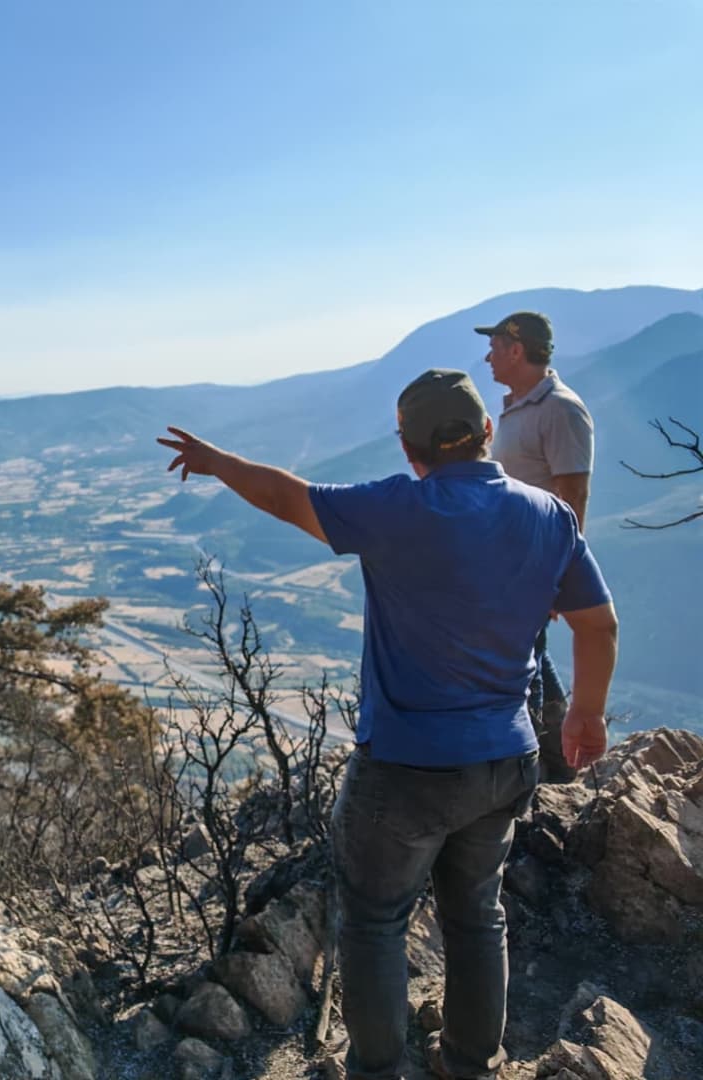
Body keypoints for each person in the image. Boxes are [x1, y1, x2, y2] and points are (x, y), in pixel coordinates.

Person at [157, 369, 618, 1080]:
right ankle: (469, 1064)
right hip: (505, 760)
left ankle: (378, 1069)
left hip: (404, 769)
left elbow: (287, 496)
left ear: (408, 447)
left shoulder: (397, 508)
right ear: (488, 432)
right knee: (478, 917)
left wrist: (218, 461)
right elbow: (598, 623)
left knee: (373, 923)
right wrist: (585, 712)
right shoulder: (550, 516)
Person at [476, 311, 595, 782]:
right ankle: (561, 765)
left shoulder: (560, 409)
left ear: (517, 349)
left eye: (495, 346)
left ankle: (529, 772)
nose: (488, 355)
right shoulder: (520, 406)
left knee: (520, 660)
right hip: (511, 564)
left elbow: (574, 494)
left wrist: (561, 575)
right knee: (532, 654)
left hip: (535, 565)